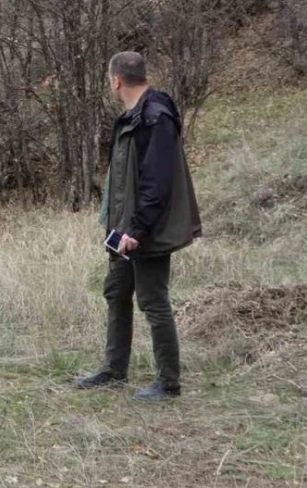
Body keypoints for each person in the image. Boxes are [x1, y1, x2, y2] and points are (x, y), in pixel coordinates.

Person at [76, 51, 202, 401]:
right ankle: (114, 370)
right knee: (117, 293)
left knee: (153, 301)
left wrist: (137, 229)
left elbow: (157, 183)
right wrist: (118, 228)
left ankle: (169, 384)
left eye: (108, 79)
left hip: (146, 231)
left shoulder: (155, 118)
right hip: (123, 229)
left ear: (116, 80)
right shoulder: (132, 117)